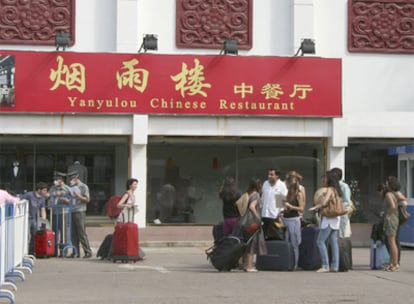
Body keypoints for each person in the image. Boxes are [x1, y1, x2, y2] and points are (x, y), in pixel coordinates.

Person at [309, 170, 342, 273]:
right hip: (336, 218)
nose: (324, 179)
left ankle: (325, 265)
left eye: (326, 178)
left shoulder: (330, 190)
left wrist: (315, 207)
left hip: (328, 219)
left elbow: (324, 203)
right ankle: (335, 265)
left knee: (320, 241)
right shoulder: (337, 190)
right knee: (333, 242)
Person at [243, 179, 267, 272]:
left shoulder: (248, 194)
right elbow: (252, 207)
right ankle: (249, 266)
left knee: (247, 243)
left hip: (246, 221)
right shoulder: (256, 195)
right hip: (253, 222)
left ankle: (245, 265)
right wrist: (258, 217)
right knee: (252, 243)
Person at [282, 173, 305, 269]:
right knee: (285, 241)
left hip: (294, 219)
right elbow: (278, 205)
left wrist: (291, 206)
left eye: (286, 182)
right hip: (284, 218)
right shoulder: (283, 193)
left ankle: (295, 264)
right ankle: (285, 262)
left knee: (295, 242)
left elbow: (302, 208)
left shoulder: (298, 193)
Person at [68, 171, 92, 258]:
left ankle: (87, 251)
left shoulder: (83, 187)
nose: (71, 180)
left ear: (77, 178)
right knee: (73, 233)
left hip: (80, 211)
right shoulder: (71, 187)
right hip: (72, 210)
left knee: (81, 232)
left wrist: (79, 196)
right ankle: (75, 252)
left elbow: (88, 199)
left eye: (72, 178)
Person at [382, 176, 404, 272]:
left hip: (391, 219)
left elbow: (393, 206)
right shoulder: (395, 194)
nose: (385, 184)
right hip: (394, 219)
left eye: (387, 182)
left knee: (392, 242)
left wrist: (388, 215)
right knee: (391, 242)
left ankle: (395, 263)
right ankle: (391, 263)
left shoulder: (388, 195)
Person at [20, 182, 49, 255]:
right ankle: (22, 252)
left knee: (34, 235)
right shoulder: (29, 195)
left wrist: (43, 220)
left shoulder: (42, 199)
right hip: (26, 218)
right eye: (44, 190)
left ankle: (31, 252)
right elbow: (19, 200)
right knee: (25, 235)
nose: (45, 192)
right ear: (39, 190)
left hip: (33, 219)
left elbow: (43, 210)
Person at [49, 172, 71, 256]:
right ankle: (53, 251)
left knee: (64, 231)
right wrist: (56, 197)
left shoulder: (67, 188)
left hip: (64, 212)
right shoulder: (52, 188)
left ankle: (63, 252)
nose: (55, 181)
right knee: (54, 232)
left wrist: (65, 200)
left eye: (57, 180)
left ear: (61, 180)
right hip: (54, 212)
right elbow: (50, 197)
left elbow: (71, 200)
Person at [261, 168, 287, 237]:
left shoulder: (281, 185)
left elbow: (281, 203)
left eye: (271, 174)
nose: (269, 176)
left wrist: (280, 214)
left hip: (274, 216)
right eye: (268, 174)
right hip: (264, 215)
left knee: (274, 236)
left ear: (277, 176)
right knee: (263, 236)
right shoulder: (265, 184)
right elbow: (263, 199)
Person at [330, 168, 352, 239]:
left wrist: (340, 209)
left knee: (340, 235)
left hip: (341, 213)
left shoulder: (344, 187)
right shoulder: (332, 186)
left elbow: (347, 202)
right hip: (333, 213)